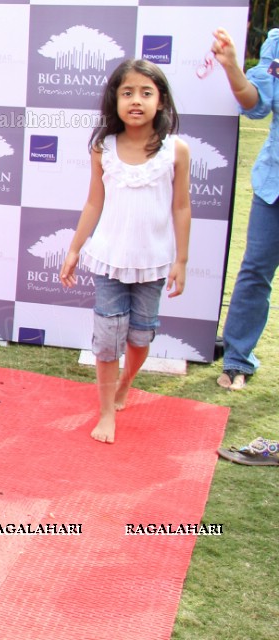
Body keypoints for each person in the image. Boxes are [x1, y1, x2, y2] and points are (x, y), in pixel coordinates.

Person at [60, 59, 191, 443]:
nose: (136, 101)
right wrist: (73, 249)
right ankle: (104, 413)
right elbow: (93, 204)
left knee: (139, 338)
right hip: (108, 263)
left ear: (161, 102)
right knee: (106, 340)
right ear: (114, 101)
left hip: (152, 265)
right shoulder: (104, 148)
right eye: (127, 92)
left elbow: (181, 207)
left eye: (146, 93)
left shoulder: (176, 151)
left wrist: (181, 260)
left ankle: (125, 384)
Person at [210, 28, 279, 390]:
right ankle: (238, 359)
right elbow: (255, 105)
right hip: (275, 186)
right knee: (255, 271)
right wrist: (233, 67)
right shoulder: (277, 43)